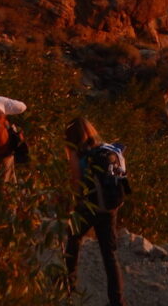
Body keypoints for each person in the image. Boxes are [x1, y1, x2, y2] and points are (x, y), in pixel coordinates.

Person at [63, 116, 128, 306]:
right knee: (110, 254)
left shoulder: (77, 154)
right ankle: (117, 301)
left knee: (73, 237)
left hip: (90, 207)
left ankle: (69, 285)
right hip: (110, 208)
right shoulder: (106, 148)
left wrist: (72, 206)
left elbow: (75, 185)